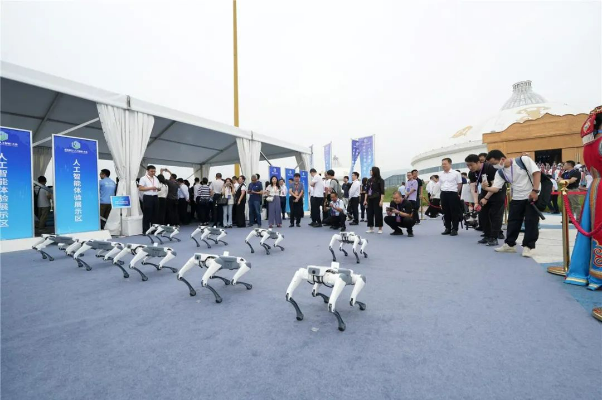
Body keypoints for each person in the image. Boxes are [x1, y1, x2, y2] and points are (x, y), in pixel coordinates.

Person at [485, 150, 541, 257]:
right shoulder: (500, 172)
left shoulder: (523, 160)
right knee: (513, 221)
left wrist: (535, 191)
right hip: (517, 197)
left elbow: (536, 173)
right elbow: (496, 188)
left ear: (502, 159)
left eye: (494, 163)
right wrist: (486, 188)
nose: (494, 166)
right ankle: (509, 244)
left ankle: (529, 247)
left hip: (531, 195)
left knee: (531, 221)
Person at [466, 154, 505, 246]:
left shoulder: (490, 168)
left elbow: (495, 186)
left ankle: (494, 238)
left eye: (471, 165)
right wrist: (476, 202)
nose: (470, 167)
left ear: (478, 162)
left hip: (497, 193)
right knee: (483, 215)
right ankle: (487, 235)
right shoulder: (471, 173)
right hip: (484, 192)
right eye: (468, 165)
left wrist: (486, 198)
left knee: (495, 215)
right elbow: (473, 188)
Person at [439, 158, 463, 236]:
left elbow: (459, 184)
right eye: (442, 164)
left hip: (453, 193)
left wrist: (457, 193)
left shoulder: (456, 173)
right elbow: (440, 184)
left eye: (445, 164)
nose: (443, 165)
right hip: (443, 193)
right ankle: (447, 228)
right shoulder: (440, 174)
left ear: (450, 164)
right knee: (446, 212)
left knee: (454, 212)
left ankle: (455, 229)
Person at [138, 165, 160, 232]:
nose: (153, 172)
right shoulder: (143, 178)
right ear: (147, 171)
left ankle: (154, 230)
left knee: (155, 214)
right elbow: (140, 188)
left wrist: (158, 188)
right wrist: (150, 188)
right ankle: (145, 230)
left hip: (155, 196)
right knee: (147, 214)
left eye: (154, 171)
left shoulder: (156, 178)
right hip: (148, 197)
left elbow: (158, 187)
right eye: (151, 171)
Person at [364, 166, 385, 234]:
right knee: (369, 213)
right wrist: (365, 200)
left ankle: (380, 228)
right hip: (369, 198)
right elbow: (367, 191)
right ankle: (371, 228)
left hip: (377, 198)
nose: (370, 172)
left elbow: (382, 192)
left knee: (378, 213)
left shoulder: (380, 180)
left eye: (371, 170)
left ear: (375, 171)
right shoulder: (369, 180)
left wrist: (381, 200)